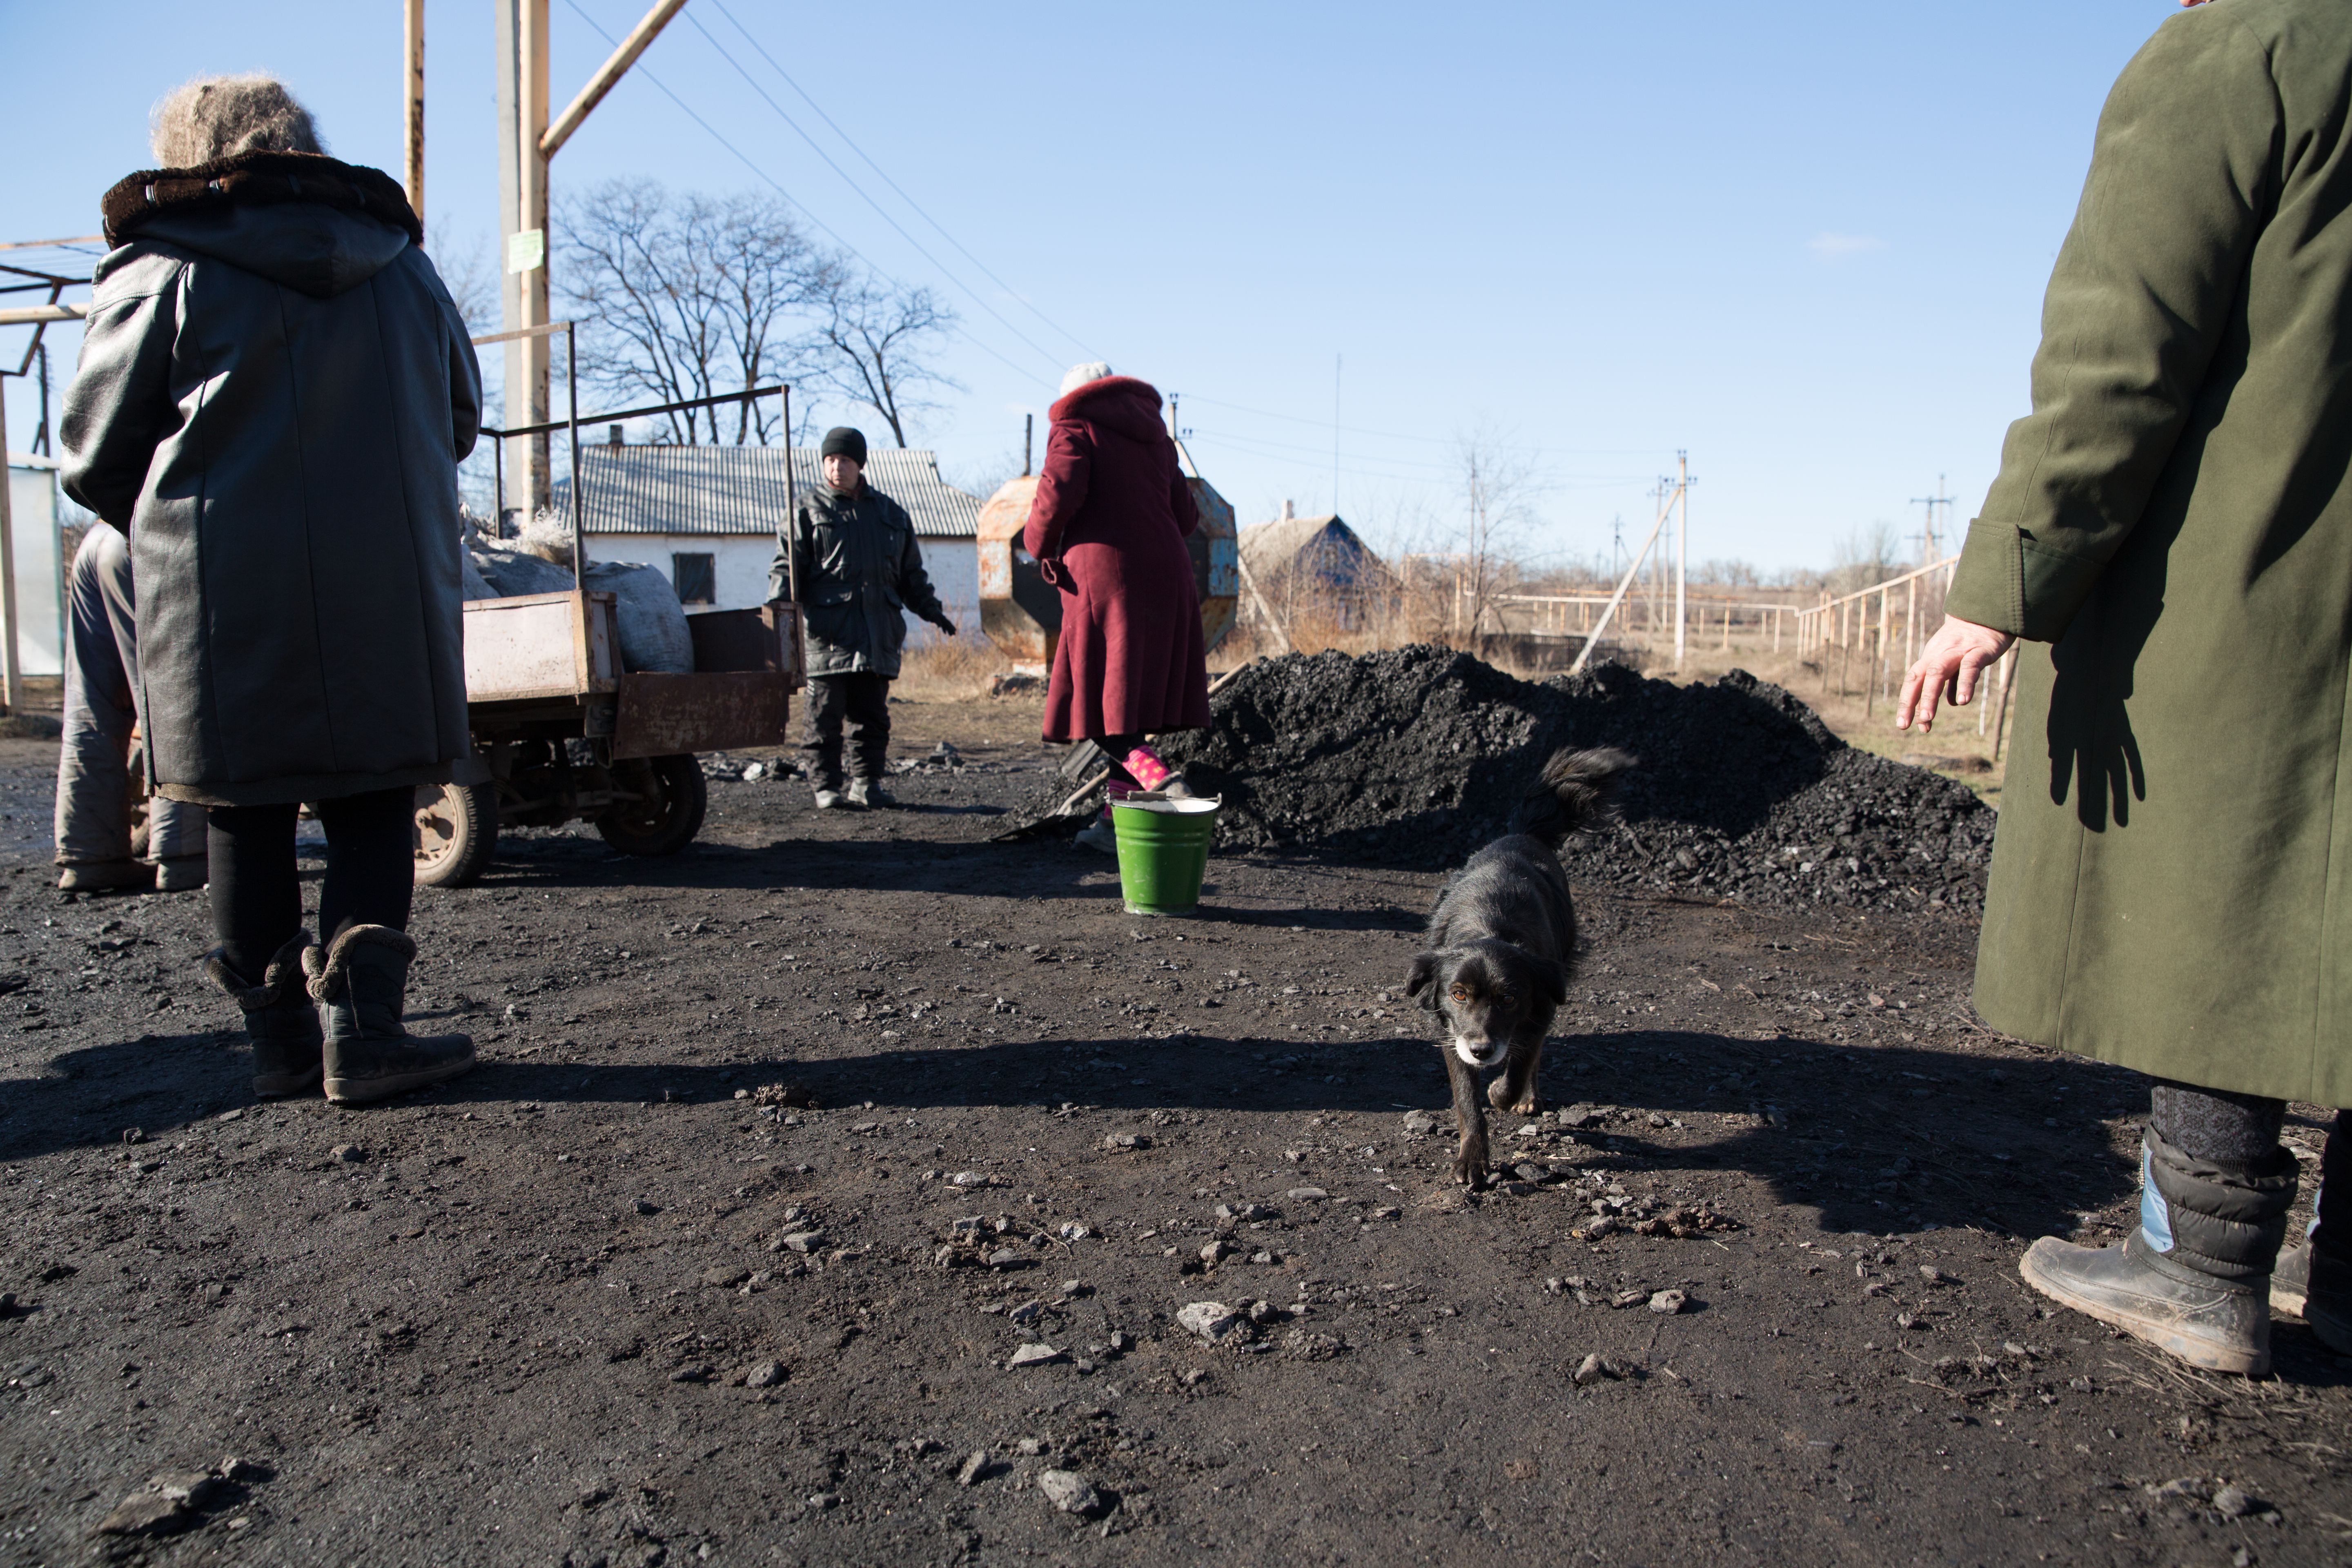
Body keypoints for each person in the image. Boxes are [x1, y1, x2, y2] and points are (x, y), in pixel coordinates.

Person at [1898, 0, 2350, 1375]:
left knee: (2229, 881)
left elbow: (2120, 347)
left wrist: (2006, 580)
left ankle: (2198, 1264)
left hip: (2254, 579)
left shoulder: (2245, 50)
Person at [61, 74, 481, 1106]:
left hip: (214, 596)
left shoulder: (159, 269)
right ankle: (364, 1035)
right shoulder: (405, 272)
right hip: (383, 583)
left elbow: (90, 456)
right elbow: (460, 420)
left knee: (241, 812)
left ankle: (281, 1047)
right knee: (376, 795)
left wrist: (183, 530)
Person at [1024, 363, 1210, 853]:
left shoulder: (1075, 425)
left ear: (1074, 395)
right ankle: (1113, 826)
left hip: (1105, 579)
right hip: (1169, 576)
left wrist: (1038, 544)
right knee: (1126, 705)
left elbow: (1058, 494)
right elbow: (1188, 515)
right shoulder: (1155, 435)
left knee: (1096, 710)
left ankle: (1162, 782)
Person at [770, 426, 955, 809]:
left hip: (877, 632)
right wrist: (777, 616)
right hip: (828, 633)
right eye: (831, 460)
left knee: (872, 718)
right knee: (823, 718)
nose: (837, 467)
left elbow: (911, 577)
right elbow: (787, 572)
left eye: (846, 460)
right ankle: (826, 788)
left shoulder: (891, 514)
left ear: (861, 464)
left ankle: (867, 783)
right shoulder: (805, 511)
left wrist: (933, 611)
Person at [54, 522, 207, 893]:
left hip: (102, 537)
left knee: (93, 707)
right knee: (176, 695)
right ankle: (183, 854)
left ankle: (90, 854)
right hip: (163, 532)